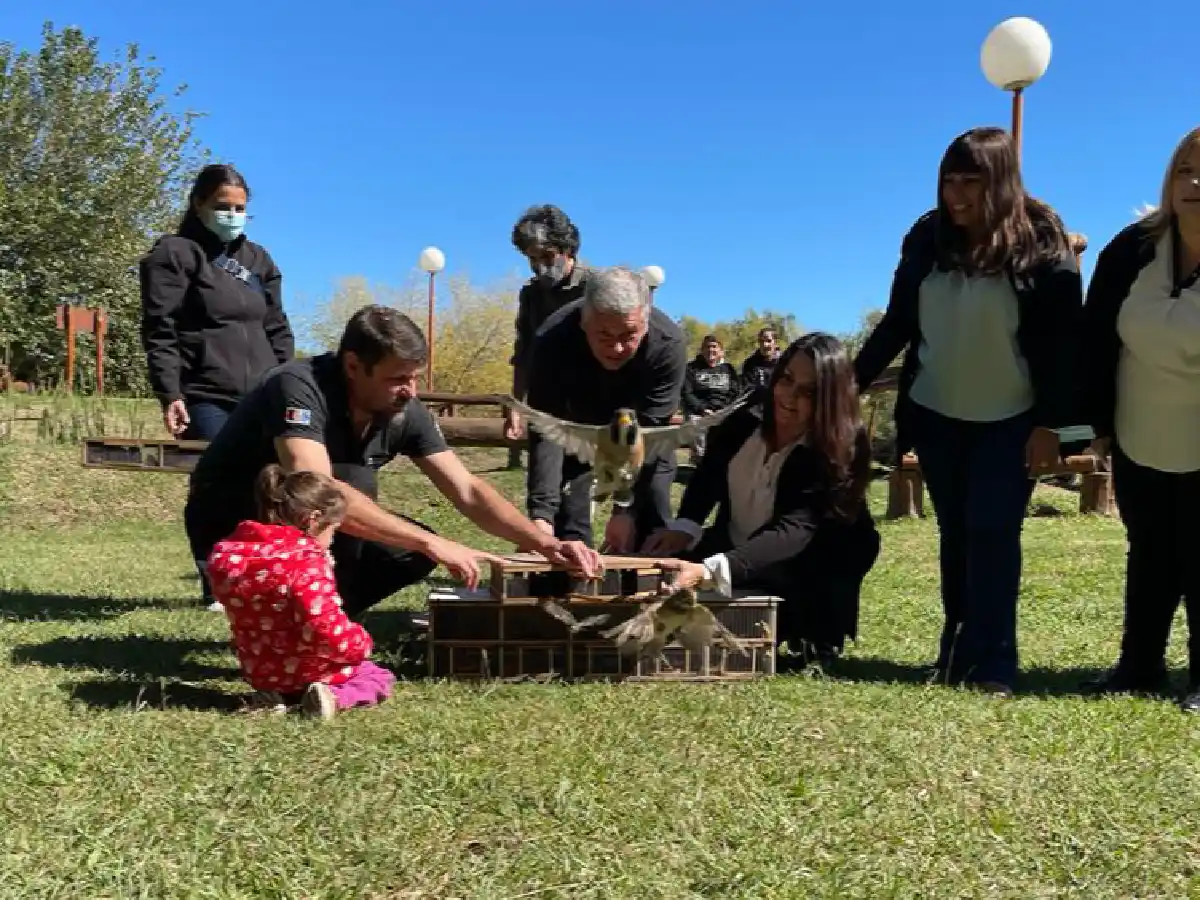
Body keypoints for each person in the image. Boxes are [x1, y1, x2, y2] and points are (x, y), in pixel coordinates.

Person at [853, 126, 1083, 697]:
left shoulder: (1043, 244)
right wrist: (848, 382)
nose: (957, 196)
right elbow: (898, 323)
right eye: (949, 181)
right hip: (936, 413)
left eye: (971, 183)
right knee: (956, 533)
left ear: (1000, 182)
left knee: (993, 532)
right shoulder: (927, 238)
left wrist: (1052, 426)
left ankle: (996, 661)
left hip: (1011, 418)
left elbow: (1062, 348)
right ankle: (955, 650)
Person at [185, 304, 600, 613]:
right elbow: (315, 488)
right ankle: (274, 614)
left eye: (415, 378)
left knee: (411, 549)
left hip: (301, 526)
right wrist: (433, 541)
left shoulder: (405, 410)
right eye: (398, 378)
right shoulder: (297, 386)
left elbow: (468, 490)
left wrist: (545, 544)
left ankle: (320, 617)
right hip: (229, 523)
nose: (411, 391)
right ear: (353, 365)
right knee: (354, 484)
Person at [645, 333, 879, 667]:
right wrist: (686, 525)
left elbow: (795, 529)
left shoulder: (842, 446)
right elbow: (710, 472)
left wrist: (711, 570)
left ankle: (817, 636)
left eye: (809, 392)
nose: (789, 397)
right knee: (662, 562)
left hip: (810, 559)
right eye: (786, 379)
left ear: (829, 399)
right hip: (742, 539)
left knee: (788, 608)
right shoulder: (745, 414)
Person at [1080, 125, 1200, 710]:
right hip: (1139, 432)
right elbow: (1095, 338)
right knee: (1149, 550)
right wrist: (1091, 428)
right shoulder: (1131, 249)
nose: (1196, 182)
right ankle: (1139, 665)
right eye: (1185, 170)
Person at [207, 465, 396, 720]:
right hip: (309, 667)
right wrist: (359, 644)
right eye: (332, 530)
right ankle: (332, 697)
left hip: (261, 669)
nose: (331, 540)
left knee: (282, 670)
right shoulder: (304, 562)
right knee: (376, 676)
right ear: (313, 519)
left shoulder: (231, 555)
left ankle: (271, 696)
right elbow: (322, 625)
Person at [525, 266, 687, 552]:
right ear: (584, 322)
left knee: (650, 514)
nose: (617, 347)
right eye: (604, 335)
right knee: (567, 528)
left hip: (644, 436)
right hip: (577, 429)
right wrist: (541, 517)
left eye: (629, 334)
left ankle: (650, 588)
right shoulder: (551, 341)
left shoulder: (668, 345)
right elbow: (546, 428)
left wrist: (625, 510)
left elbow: (649, 437)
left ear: (645, 323)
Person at [140, 163, 295, 440]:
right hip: (206, 397)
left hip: (263, 397)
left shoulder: (258, 260)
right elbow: (160, 330)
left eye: (240, 209)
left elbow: (277, 328)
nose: (232, 215)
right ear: (198, 203)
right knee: (222, 479)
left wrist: (288, 385)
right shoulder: (174, 254)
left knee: (272, 481)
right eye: (223, 207)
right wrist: (170, 393)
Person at [504, 205, 588, 448]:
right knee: (543, 485)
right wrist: (517, 406)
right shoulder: (531, 294)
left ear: (567, 249)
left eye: (548, 256)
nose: (540, 267)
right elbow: (523, 353)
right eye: (532, 258)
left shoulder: (596, 288)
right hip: (546, 406)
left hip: (592, 408)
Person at [681, 334, 741, 464]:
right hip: (700, 412)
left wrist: (724, 409)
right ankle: (700, 462)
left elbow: (735, 392)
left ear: (721, 351)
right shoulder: (691, 368)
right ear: (702, 350)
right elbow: (687, 393)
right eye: (707, 347)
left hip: (724, 410)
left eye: (714, 347)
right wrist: (703, 409)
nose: (710, 350)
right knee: (696, 423)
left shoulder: (728, 369)